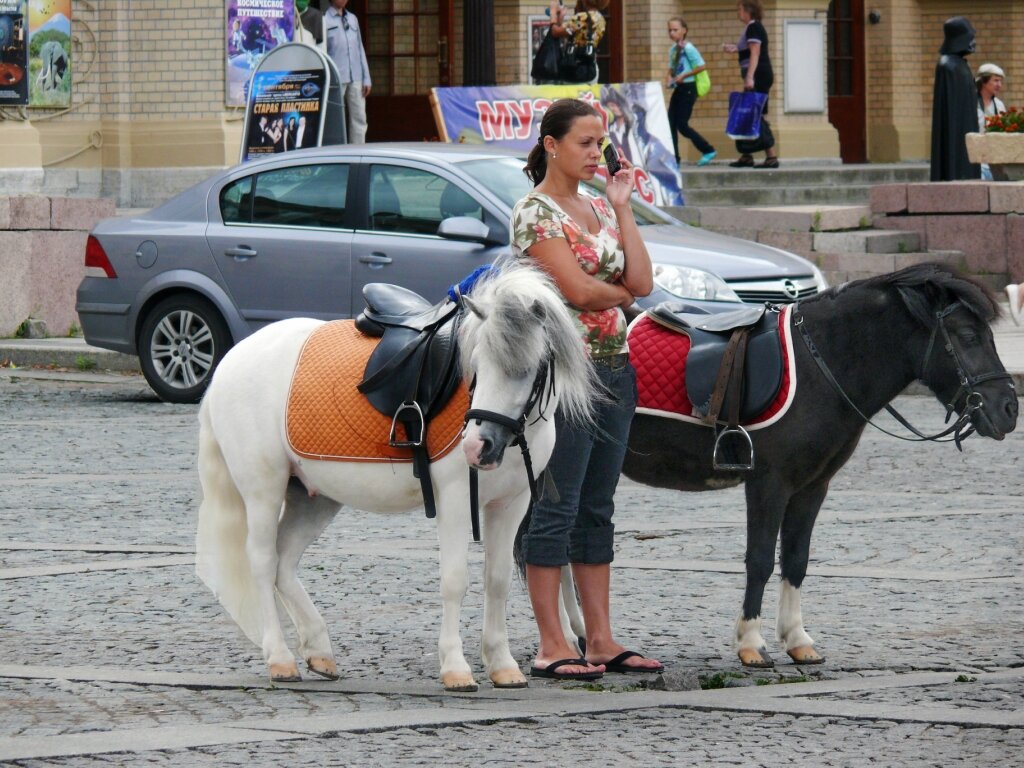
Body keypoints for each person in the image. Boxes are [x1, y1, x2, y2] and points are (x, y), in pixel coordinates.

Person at [511, 98, 663, 681]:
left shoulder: (599, 203)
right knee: (556, 504)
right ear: (551, 144)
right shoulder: (534, 213)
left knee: (597, 509)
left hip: (615, 369)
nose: (596, 152)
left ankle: (599, 639)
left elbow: (643, 281)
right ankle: (552, 642)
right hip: (562, 375)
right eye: (584, 143)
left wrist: (623, 209)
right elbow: (577, 292)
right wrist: (621, 292)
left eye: (600, 143)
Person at [722, 0, 778, 168]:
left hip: (758, 75)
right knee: (751, 113)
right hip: (759, 74)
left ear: (748, 10)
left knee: (756, 114)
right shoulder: (752, 27)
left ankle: (771, 157)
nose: (738, 12)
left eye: (739, 9)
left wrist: (750, 77)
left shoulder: (754, 27)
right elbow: (749, 49)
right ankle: (747, 155)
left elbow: (755, 53)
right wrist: (735, 48)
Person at [930, 16, 980, 182]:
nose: (973, 41)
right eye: (969, 37)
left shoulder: (961, 65)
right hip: (955, 129)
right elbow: (948, 109)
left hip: (966, 125)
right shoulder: (948, 65)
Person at [665, 16, 716, 167]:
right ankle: (675, 158)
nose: (672, 33)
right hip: (679, 88)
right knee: (670, 123)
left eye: (675, 30)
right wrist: (668, 78)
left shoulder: (688, 48)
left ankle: (708, 149)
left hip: (689, 88)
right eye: (670, 30)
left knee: (682, 124)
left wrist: (684, 76)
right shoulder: (673, 50)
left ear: (684, 31)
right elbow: (670, 68)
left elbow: (701, 66)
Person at [325, 0, 372, 144]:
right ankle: (336, 152)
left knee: (359, 118)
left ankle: (358, 151)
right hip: (336, 77)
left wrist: (366, 78)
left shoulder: (353, 19)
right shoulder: (325, 19)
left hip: (356, 76)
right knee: (335, 120)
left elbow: (360, 48)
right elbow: (323, 51)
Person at [546, 0, 608, 84]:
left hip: (574, 67)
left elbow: (555, 32)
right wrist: (560, 18)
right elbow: (568, 32)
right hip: (590, 67)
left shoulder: (582, 17)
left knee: (572, 96)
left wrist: (553, 13)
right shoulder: (601, 19)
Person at [975, 63, 1007, 181]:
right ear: (984, 81)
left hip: (995, 164)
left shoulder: (999, 105)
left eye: (1000, 81)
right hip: (976, 163)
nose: (999, 85)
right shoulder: (970, 103)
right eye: (996, 81)